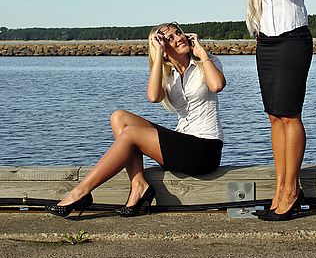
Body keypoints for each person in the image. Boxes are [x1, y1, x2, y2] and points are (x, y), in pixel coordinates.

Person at [47, 22, 226, 219]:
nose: (178, 38)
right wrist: (158, 55)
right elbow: (153, 97)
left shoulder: (207, 62)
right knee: (119, 118)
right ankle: (139, 185)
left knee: (131, 134)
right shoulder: (168, 76)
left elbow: (217, 86)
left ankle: (80, 192)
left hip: (205, 150)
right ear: (163, 49)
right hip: (182, 144)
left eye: (179, 33)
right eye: (170, 39)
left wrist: (202, 53)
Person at [241, 0, 316, 221]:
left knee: (290, 115)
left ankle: (290, 192)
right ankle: (280, 188)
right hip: (267, 43)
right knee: (274, 117)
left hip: (292, 40)